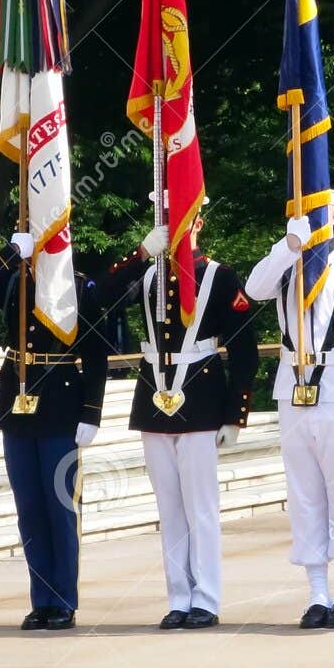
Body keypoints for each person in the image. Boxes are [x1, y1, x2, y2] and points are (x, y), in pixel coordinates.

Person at [97, 205, 258, 628]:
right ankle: (179, 597)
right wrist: (139, 254)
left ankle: (206, 597)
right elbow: (99, 299)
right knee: (169, 508)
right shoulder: (147, 274)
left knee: (200, 506)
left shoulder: (220, 276)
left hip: (202, 399)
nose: (176, 231)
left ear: (199, 223)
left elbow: (244, 348)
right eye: (167, 224)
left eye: (184, 222)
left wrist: (235, 414)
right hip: (154, 398)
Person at [243, 191, 334, 627]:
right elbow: (254, 289)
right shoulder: (287, 262)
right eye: (303, 213)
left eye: (319, 213)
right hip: (293, 385)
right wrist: (288, 246)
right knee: (304, 494)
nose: (311, 220)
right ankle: (316, 592)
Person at [0, 230, 108, 631]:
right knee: (30, 511)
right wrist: (11, 253)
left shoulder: (79, 287)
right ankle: (41, 598)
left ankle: (63, 599)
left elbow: (97, 355)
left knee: (59, 508)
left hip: (61, 404)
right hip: (17, 402)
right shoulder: (13, 279)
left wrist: (91, 413)